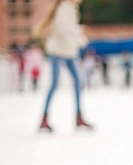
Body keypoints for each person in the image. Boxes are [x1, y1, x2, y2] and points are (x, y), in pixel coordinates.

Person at [32, 0, 92, 131]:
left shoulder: (69, 8)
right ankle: (45, 118)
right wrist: (81, 37)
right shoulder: (65, 8)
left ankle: (78, 116)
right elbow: (63, 30)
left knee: (78, 81)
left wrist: (79, 33)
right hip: (58, 51)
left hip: (69, 51)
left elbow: (68, 30)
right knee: (54, 84)